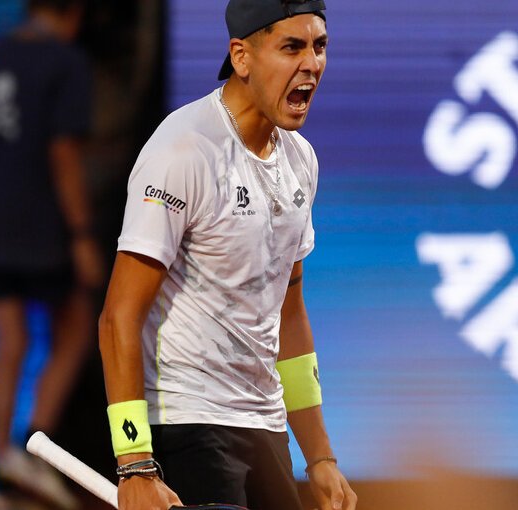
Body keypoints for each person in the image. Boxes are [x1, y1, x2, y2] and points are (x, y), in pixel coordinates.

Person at [97, 1, 358, 509]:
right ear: (241, 56)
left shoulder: (301, 161)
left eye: (319, 46)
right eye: (292, 47)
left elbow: (289, 312)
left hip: (264, 425)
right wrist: (134, 463)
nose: (312, 64)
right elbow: (118, 318)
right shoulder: (182, 152)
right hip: (186, 424)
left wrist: (320, 457)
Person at [0, 0, 102, 508]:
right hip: (38, 229)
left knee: (10, 346)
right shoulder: (66, 61)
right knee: (75, 328)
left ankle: (1, 476)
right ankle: (34, 451)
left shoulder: (3, 50)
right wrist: (83, 235)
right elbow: (62, 153)